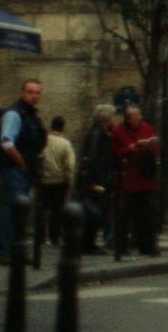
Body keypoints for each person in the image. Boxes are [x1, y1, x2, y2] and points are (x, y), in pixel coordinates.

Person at [0, 80, 46, 264]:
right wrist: (22, 163)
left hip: (24, 169)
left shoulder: (29, 115)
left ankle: (14, 250)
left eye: (37, 93)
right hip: (15, 169)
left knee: (18, 210)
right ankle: (5, 251)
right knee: (12, 209)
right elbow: (6, 142)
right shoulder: (15, 114)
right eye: (30, 92)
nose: (34, 96)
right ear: (21, 92)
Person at [109, 104, 159, 256]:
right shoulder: (118, 131)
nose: (138, 120)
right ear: (128, 119)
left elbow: (155, 151)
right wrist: (131, 148)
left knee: (147, 214)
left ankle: (147, 246)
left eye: (139, 116)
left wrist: (150, 146)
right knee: (124, 215)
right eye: (135, 117)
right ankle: (122, 247)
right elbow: (114, 153)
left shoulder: (147, 128)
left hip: (145, 177)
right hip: (127, 180)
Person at [77, 105, 118, 252]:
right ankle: (88, 244)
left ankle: (89, 242)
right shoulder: (97, 134)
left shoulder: (99, 132)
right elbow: (93, 157)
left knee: (95, 211)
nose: (114, 119)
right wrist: (93, 179)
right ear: (106, 118)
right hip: (96, 179)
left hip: (98, 177)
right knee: (93, 211)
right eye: (112, 116)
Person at [38, 115, 77, 244]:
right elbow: (69, 165)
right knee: (56, 210)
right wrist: (69, 180)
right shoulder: (65, 144)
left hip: (43, 180)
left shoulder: (43, 140)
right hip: (59, 181)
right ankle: (54, 236)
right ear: (63, 127)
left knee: (41, 209)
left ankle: (40, 236)